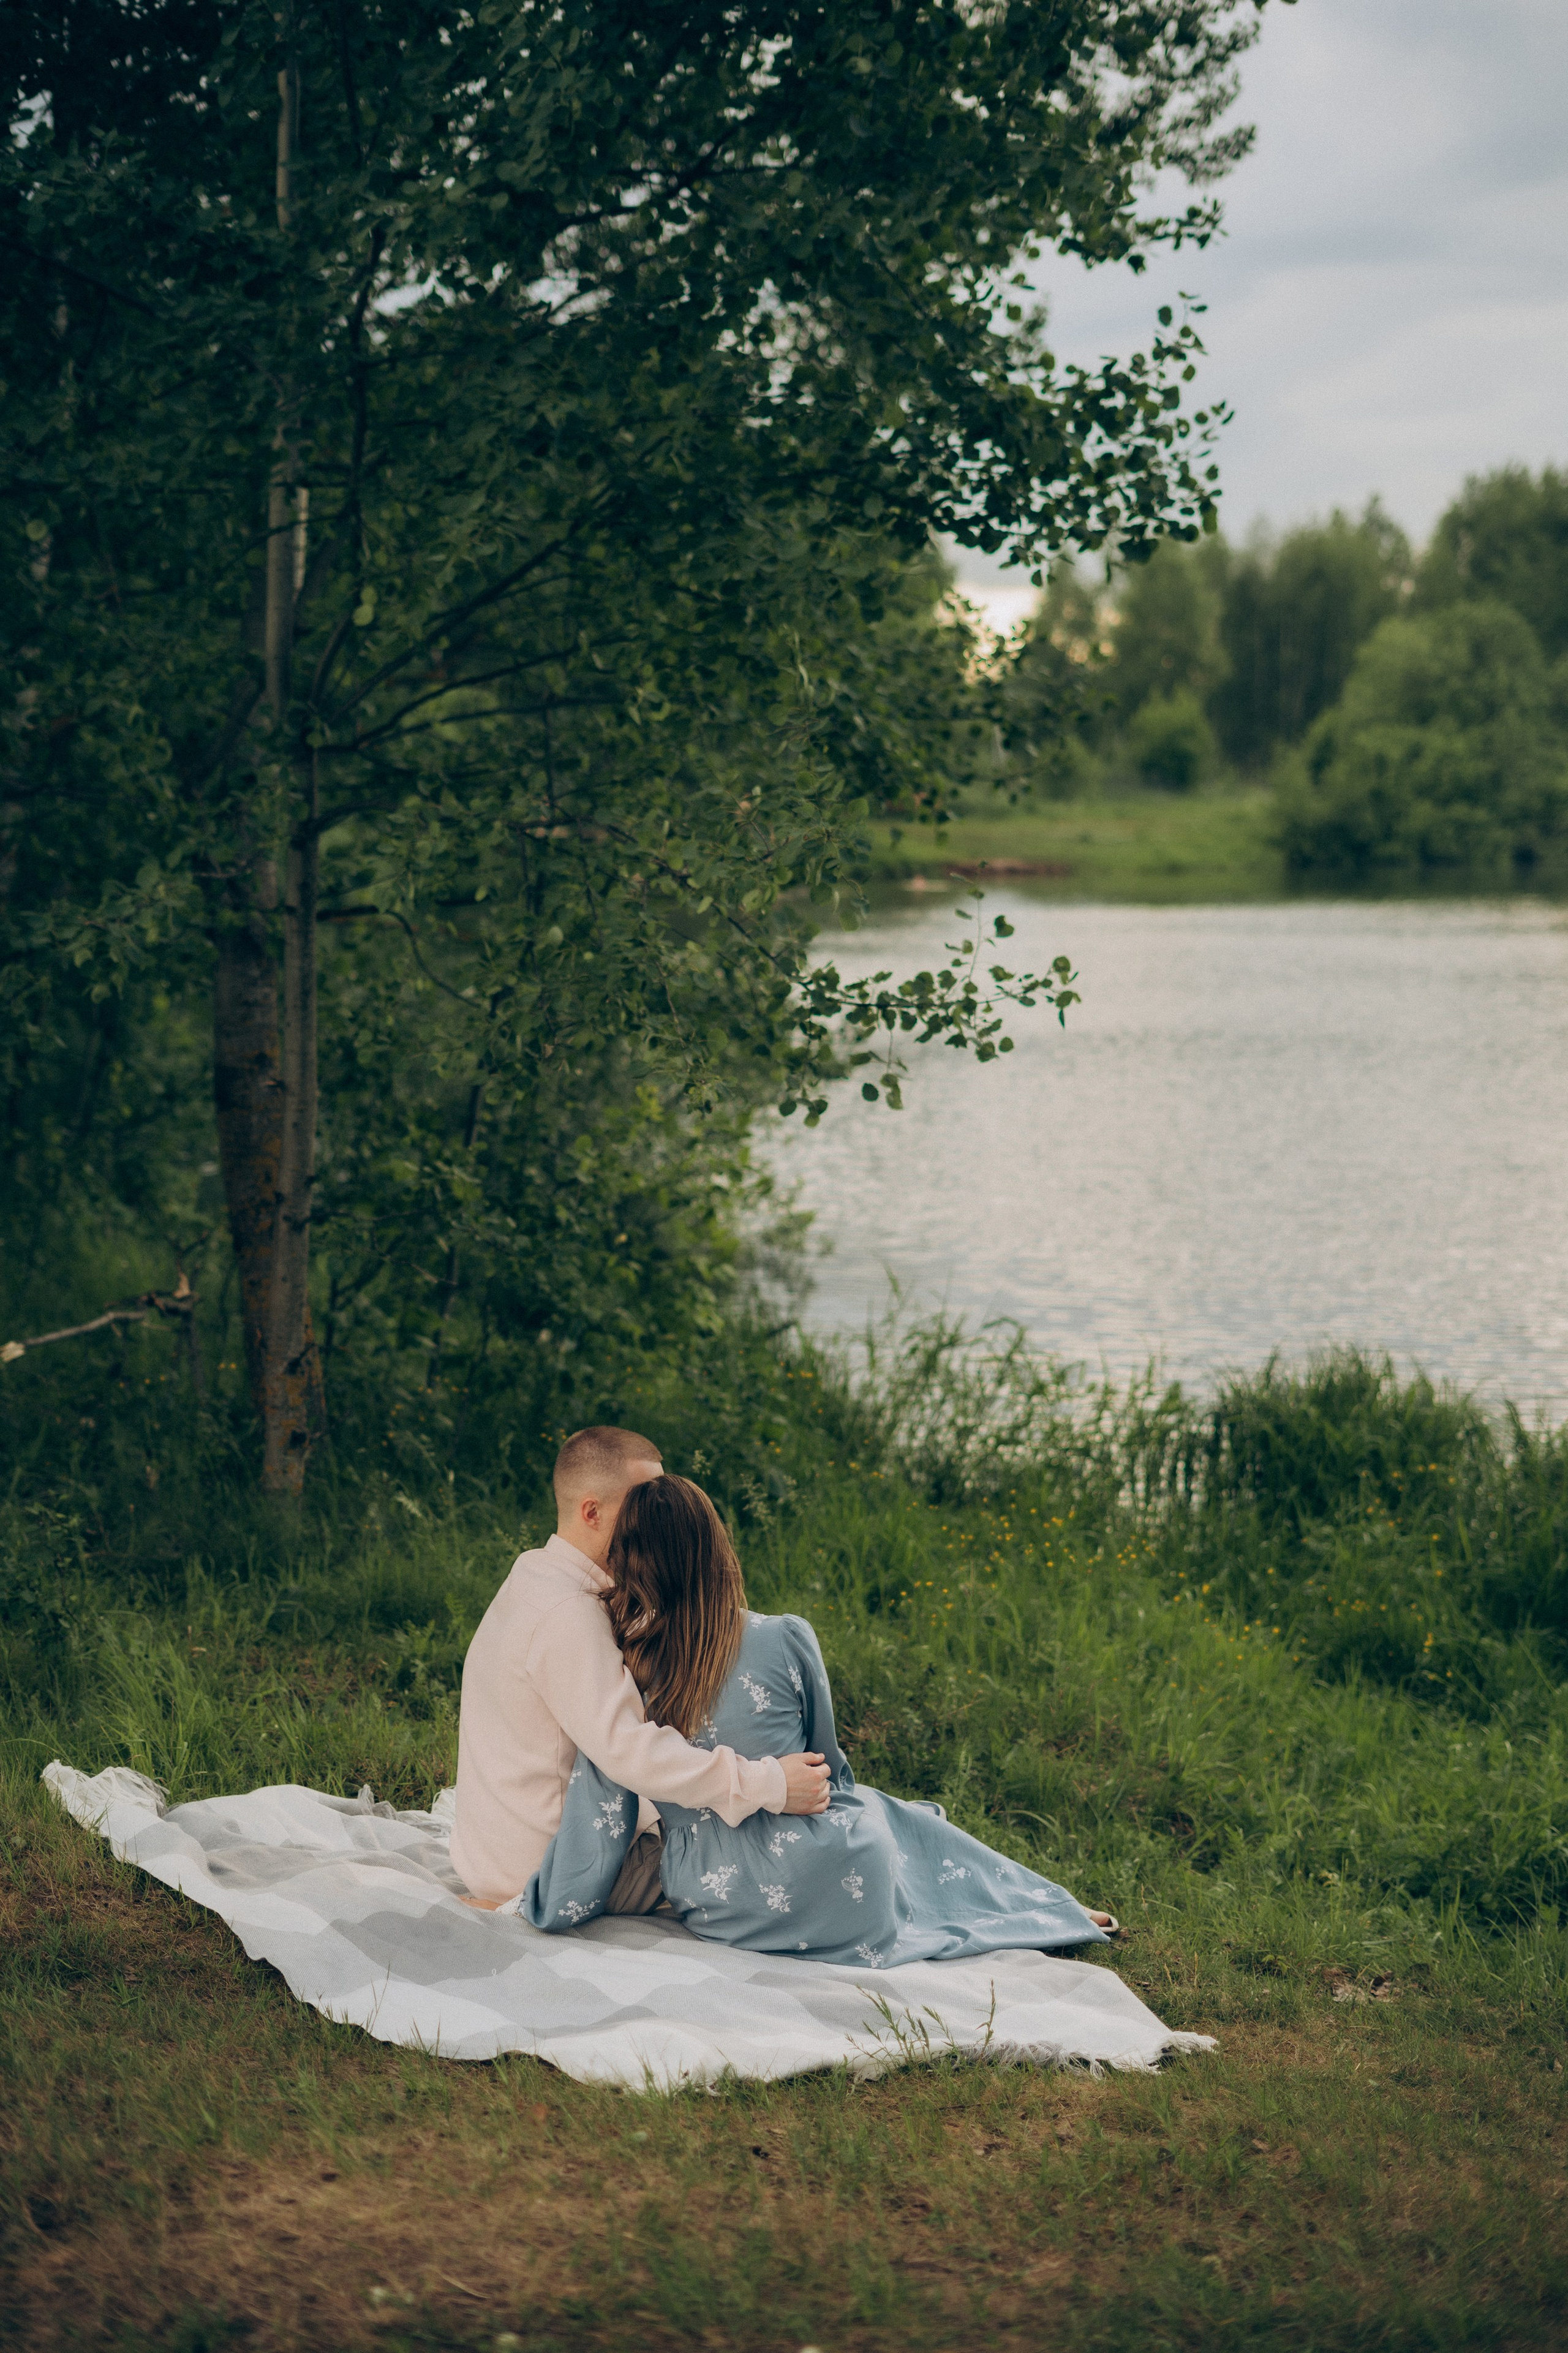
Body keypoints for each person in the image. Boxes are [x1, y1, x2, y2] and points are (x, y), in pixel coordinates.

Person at [522, 1473, 1115, 1965]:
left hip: (722, 1903)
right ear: (716, 1548)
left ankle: (1036, 1904)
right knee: (890, 1817)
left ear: (632, 1562)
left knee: (896, 1821)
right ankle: (1047, 1907)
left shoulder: (626, 1671)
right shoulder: (784, 1636)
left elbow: (601, 1815)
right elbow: (829, 1768)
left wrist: (547, 1903)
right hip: (837, 1875)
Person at [450, 1427, 832, 1910]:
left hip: (497, 1847)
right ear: (593, 1511)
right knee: (759, 1848)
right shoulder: (567, 1614)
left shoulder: (538, 1572)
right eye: (642, 1504)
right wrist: (768, 1783)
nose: (658, 1517)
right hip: (552, 1865)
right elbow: (630, 1751)